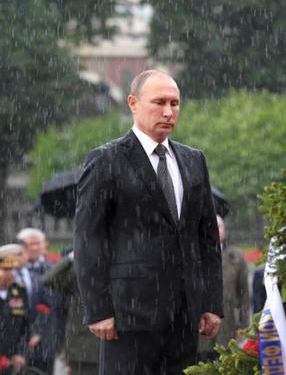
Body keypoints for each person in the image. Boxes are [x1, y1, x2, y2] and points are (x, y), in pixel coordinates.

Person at [74, 69, 223, 374]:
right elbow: (88, 239)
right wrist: (98, 310)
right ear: (133, 103)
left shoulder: (194, 161)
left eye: (175, 103)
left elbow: (206, 238)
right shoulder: (106, 160)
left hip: (184, 314)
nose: (169, 112)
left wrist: (211, 302)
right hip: (128, 316)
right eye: (159, 102)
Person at [198, 216, 249, 360]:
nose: (215, 230)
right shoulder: (195, 254)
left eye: (218, 226)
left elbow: (244, 295)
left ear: (225, 230)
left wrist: (244, 326)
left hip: (227, 327)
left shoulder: (235, 257)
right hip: (201, 329)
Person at [42, 250, 99, 375]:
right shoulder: (83, 273)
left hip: (111, 345)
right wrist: (71, 257)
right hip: (84, 348)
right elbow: (49, 279)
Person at [17, 228, 63, 375]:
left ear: (45, 244)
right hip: (17, 336)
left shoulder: (57, 268)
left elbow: (58, 304)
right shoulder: (13, 271)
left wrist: (41, 331)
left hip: (48, 338)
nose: (34, 247)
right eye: (30, 244)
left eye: (38, 243)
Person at [0, 244, 29, 374]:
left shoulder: (19, 291)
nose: (10, 273)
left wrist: (19, 353)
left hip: (12, 358)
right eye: (5, 269)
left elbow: (24, 326)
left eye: (12, 269)